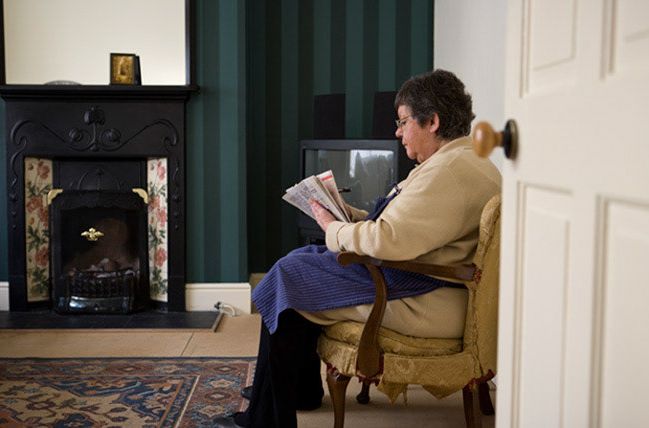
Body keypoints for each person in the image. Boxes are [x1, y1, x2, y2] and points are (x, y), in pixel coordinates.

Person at [213, 69, 502, 428]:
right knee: (298, 264)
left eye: (403, 122)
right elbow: (408, 228)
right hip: (426, 279)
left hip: (422, 292)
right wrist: (349, 217)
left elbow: (387, 240)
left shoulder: (449, 172)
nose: (398, 132)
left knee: (288, 276)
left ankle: (266, 419)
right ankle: (296, 391)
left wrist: (332, 228)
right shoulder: (461, 160)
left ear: (432, 121)